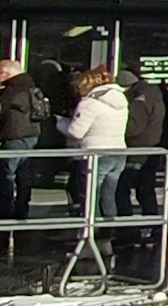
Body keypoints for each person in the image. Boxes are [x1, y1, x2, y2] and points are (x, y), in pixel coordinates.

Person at [57, 66, 127, 226]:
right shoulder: (121, 101)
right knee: (108, 196)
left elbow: (76, 132)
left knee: (90, 197)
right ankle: (107, 234)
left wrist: (60, 123)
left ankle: (90, 234)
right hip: (118, 151)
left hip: (95, 153)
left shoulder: (89, 103)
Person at [113, 70, 166, 234]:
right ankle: (152, 225)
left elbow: (133, 128)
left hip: (136, 150)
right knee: (145, 190)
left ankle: (126, 228)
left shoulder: (138, 102)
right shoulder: (153, 96)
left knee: (121, 189)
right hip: (150, 148)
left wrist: (117, 125)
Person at [0, 58, 48, 221]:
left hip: (13, 136)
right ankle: (22, 208)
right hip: (32, 134)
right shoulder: (32, 87)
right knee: (24, 174)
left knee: (6, 174)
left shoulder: (11, 91)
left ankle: (5, 210)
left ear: (6, 73)